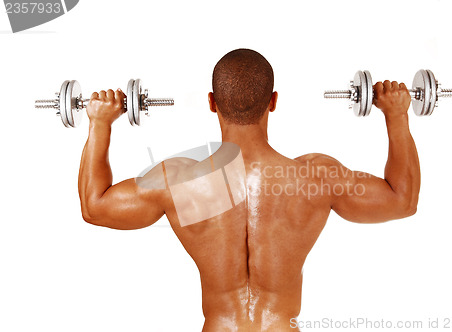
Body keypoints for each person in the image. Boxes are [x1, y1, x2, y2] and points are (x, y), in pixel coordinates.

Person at [78, 49, 420, 331]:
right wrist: (396, 114)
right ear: (273, 101)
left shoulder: (177, 181)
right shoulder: (317, 176)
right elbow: (401, 201)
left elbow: (95, 206)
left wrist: (100, 123)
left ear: (213, 103)